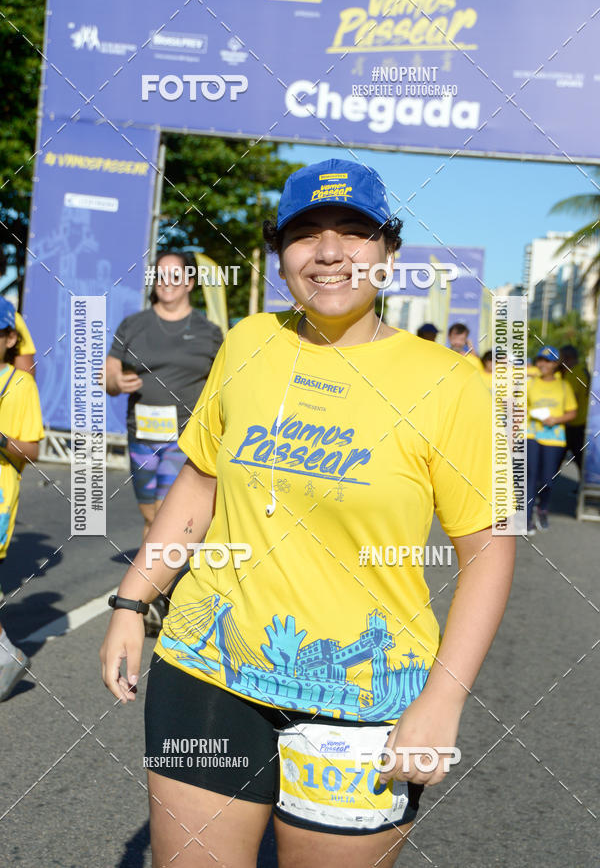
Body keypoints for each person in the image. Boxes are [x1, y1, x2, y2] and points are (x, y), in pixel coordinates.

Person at [100, 159, 515, 867]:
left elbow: (489, 550)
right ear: (279, 254)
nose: (328, 251)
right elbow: (201, 482)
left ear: (389, 252)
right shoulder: (248, 343)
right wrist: (132, 601)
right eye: (304, 233)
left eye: (354, 231)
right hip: (207, 673)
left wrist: (442, 700)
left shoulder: (451, 384)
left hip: (362, 699)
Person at [104, 250, 222, 633]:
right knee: (150, 517)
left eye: (175, 276)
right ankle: (163, 586)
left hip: (184, 437)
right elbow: (109, 375)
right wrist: (117, 382)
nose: (166, 282)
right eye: (160, 275)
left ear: (189, 283)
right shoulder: (134, 325)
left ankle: (152, 597)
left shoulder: (208, 332)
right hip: (141, 435)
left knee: (162, 513)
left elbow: (223, 382)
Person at [0, 299, 44, 701]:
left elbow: (32, 450)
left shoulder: (20, 385)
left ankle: (6, 655)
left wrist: (1, 439)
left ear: (10, 338)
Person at [526, 345, 577, 533]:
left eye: (548, 361)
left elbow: (572, 412)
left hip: (554, 438)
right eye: (540, 360)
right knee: (530, 477)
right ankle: (527, 518)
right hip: (531, 435)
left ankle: (542, 508)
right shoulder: (530, 383)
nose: (543, 364)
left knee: (548, 479)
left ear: (556, 364)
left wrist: (555, 419)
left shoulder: (564, 386)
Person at [559, 345, 590, 482]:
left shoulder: (574, 374)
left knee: (557, 457)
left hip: (572, 423)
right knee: (580, 459)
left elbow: (571, 400)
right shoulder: (582, 370)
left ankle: (544, 486)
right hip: (580, 422)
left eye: (561, 358)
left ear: (568, 358)